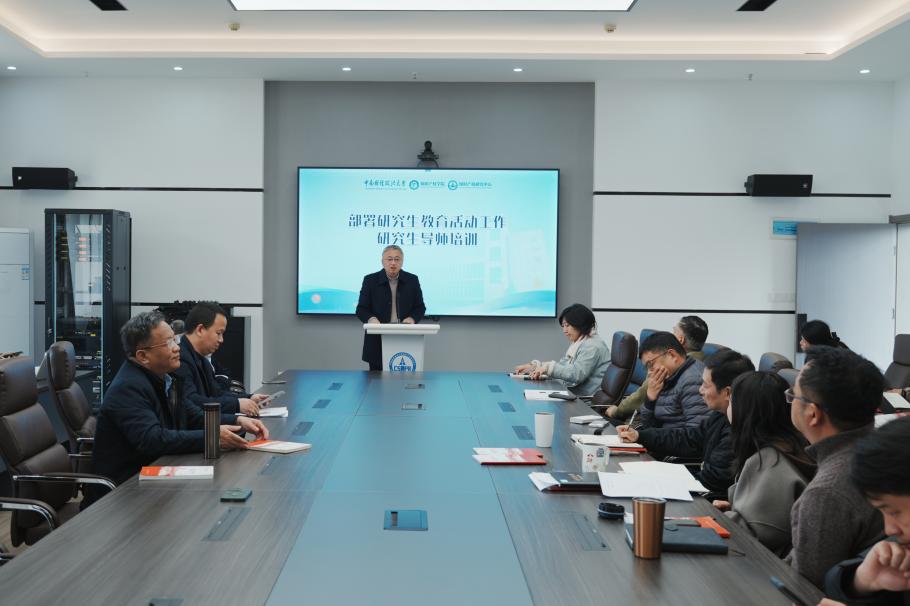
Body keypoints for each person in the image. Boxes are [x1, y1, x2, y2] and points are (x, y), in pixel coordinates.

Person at [92, 311, 269, 490]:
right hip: (126, 489)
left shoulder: (167, 378)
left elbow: (192, 416)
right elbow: (152, 440)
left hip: (160, 474)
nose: (177, 348)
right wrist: (212, 437)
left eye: (175, 339)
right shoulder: (128, 388)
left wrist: (238, 421)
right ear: (143, 356)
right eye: (168, 343)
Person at [786, 346, 884, 588]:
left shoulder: (826, 493)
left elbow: (807, 589)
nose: (790, 401)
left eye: (793, 395)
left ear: (812, 414)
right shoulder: (882, 450)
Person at [618, 349, 753, 496]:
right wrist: (640, 436)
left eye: (706, 385)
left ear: (727, 393)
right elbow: (689, 438)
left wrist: (656, 479)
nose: (700, 390)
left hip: (708, 500)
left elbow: (710, 483)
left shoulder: (737, 431)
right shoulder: (720, 416)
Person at [712, 371, 815, 556]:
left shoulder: (769, 461)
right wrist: (734, 509)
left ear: (746, 410)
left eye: (732, 401)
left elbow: (753, 536)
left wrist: (724, 518)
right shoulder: (790, 444)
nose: (728, 406)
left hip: (762, 565)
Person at [822, 417, 910, 606]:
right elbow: (837, 581)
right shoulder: (900, 553)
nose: (889, 529)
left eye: (894, 512)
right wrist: (861, 582)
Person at [604, 316, 708, 421]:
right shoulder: (697, 364)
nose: (650, 372)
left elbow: (640, 397)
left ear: (680, 340)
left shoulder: (678, 372)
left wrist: (616, 412)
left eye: (674, 331)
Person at [174, 301, 267, 417]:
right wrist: (237, 405)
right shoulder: (179, 360)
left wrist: (249, 398)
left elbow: (217, 393)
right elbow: (192, 401)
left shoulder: (202, 359)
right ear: (200, 330)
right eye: (218, 333)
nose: (221, 340)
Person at [513, 303, 610, 396]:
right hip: (574, 395)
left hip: (584, 401)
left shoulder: (592, 346)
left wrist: (547, 368)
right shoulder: (581, 341)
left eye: (567, 326)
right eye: (563, 326)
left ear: (580, 324)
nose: (564, 331)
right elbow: (563, 365)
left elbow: (576, 374)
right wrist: (535, 366)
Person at [355, 245, 426, 371]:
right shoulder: (370, 280)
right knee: (376, 380)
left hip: (405, 337)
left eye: (397, 259)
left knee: (404, 379)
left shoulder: (412, 280)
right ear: (382, 261)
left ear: (402, 262)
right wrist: (371, 319)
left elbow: (420, 307)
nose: (393, 263)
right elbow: (361, 309)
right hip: (377, 339)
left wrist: (412, 318)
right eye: (389, 259)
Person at [633, 331, 710, 429]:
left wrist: (646, 435)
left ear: (672, 355)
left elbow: (695, 433)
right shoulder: (668, 377)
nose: (649, 373)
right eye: (646, 367)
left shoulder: (693, 381)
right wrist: (650, 400)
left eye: (650, 364)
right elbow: (649, 426)